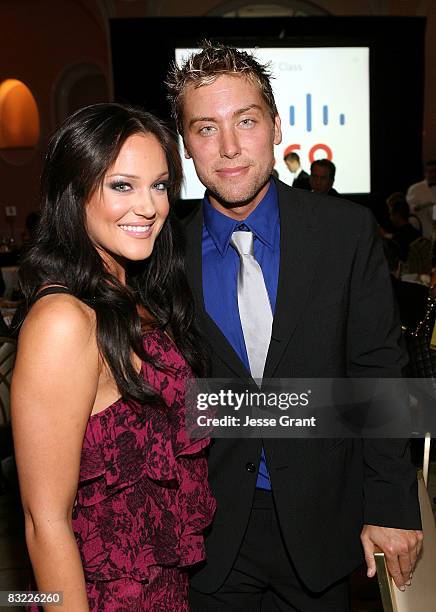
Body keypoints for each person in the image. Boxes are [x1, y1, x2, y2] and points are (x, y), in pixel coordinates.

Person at [166, 41, 422, 611]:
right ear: (185, 145)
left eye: (246, 122)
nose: (229, 148)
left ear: (277, 126)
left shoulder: (345, 233)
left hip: (324, 523)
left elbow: (379, 371)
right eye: (206, 128)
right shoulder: (163, 256)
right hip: (208, 536)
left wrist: (391, 505)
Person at [11, 103, 215, 611]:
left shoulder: (136, 294)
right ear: (74, 192)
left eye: (161, 185)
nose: (148, 207)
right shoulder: (64, 321)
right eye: (122, 185)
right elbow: (44, 521)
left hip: (163, 589)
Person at [406, 159, 436, 239]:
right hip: (424, 232)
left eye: (435, 171)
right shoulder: (415, 189)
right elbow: (409, 210)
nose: (433, 174)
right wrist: (423, 206)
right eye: (430, 171)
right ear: (425, 173)